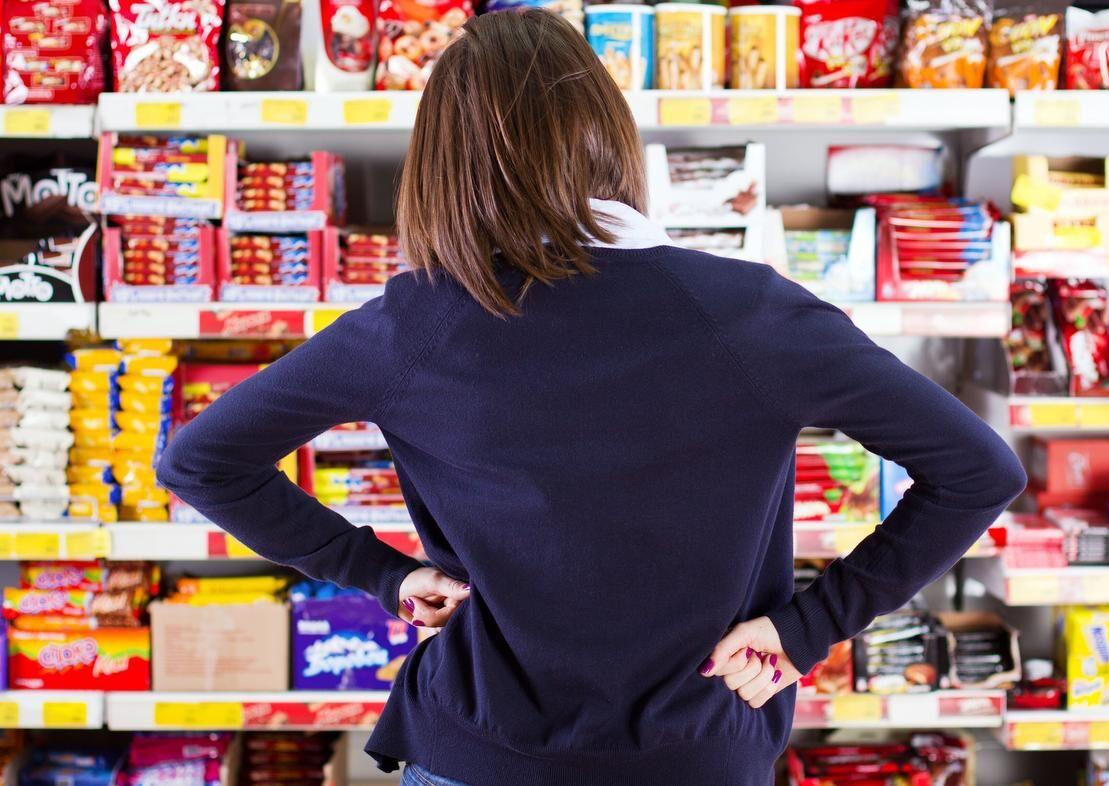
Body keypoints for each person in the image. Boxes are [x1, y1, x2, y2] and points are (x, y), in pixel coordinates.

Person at [156, 9, 1027, 786]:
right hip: (701, 751)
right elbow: (977, 470)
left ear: (445, 166)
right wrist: (809, 627)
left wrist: (382, 577)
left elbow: (202, 459)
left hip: (476, 751)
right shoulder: (751, 313)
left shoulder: (418, 323)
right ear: (607, 137)